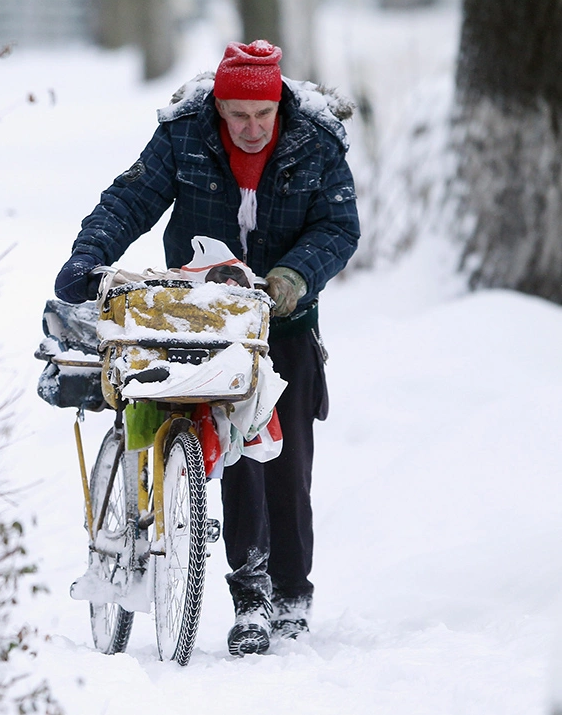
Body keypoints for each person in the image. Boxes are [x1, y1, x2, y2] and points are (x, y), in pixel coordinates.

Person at [53, 40, 359, 657]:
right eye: (236, 115)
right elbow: (132, 199)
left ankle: (292, 595)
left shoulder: (316, 145)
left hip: (286, 324)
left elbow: (339, 226)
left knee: (286, 462)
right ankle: (250, 601)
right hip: (203, 318)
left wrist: (293, 278)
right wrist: (88, 255)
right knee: (233, 457)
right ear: (219, 108)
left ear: (279, 109)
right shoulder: (184, 137)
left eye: (261, 116)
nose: (249, 128)